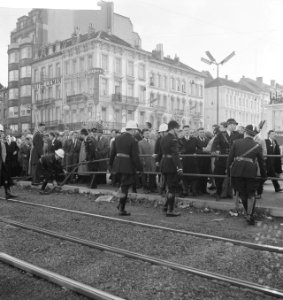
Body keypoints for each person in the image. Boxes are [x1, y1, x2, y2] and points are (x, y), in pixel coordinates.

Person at [227, 125, 267, 225]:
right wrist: (264, 175)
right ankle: (250, 215)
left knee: (242, 193)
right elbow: (262, 162)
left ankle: (248, 214)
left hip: (237, 171)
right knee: (251, 194)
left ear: (245, 133)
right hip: (250, 172)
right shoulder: (257, 145)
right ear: (253, 135)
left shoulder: (236, 142)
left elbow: (229, 159)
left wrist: (229, 172)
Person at [109, 120, 142, 216]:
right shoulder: (133, 140)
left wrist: (110, 165)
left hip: (117, 165)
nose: (135, 132)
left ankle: (120, 204)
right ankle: (121, 208)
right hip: (127, 166)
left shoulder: (117, 138)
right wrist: (140, 168)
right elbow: (135, 157)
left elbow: (112, 153)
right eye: (135, 130)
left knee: (122, 185)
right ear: (131, 130)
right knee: (125, 188)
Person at [159, 120, 183, 216]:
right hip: (170, 165)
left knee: (168, 186)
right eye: (177, 129)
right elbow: (175, 154)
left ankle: (165, 207)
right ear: (173, 129)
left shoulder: (163, 138)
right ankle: (170, 210)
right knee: (172, 188)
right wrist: (179, 167)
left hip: (164, 164)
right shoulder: (173, 139)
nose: (178, 131)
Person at [211, 118, 239, 200]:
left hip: (231, 159)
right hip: (221, 159)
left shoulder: (237, 134)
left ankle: (229, 194)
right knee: (218, 176)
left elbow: (248, 135)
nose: (235, 126)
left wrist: (257, 130)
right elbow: (214, 144)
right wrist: (214, 151)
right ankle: (218, 193)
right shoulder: (221, 134)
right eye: (234, 125)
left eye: (235, 125)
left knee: (232, 177)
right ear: (229, 125)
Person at [179, 125, 200, 197]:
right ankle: (185, 191)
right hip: (184, 161)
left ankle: (193, 190)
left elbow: (199, 148)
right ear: (183, 131)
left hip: (192, 160)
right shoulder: (180, 140)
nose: (187, 132)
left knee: (194, 176)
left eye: (188, 130)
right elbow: (177, 150)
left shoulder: (194, 139)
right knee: (184, 176)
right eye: (185, 130)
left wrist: (196, 153)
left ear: (190, 131)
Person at [0, 125, 17, 199]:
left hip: (3, 163)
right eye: (1, 132)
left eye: (2, 132)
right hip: (1, 163)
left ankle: (8, 193)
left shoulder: (2, 142)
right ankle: (7, 193)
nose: (3, 133)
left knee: (6, 177)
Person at [138, 128, 156, 193]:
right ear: (143, 134)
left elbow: (155, 151)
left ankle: (152, 188)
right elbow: (140, 153)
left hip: (152, 161)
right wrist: (143, 161)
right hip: (145, 160)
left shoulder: (153, 141)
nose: (148, 134)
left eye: (148, 133)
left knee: (152, 174)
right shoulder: (140, 143)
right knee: (144, 175)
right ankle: (145, 188)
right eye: (146, 133)